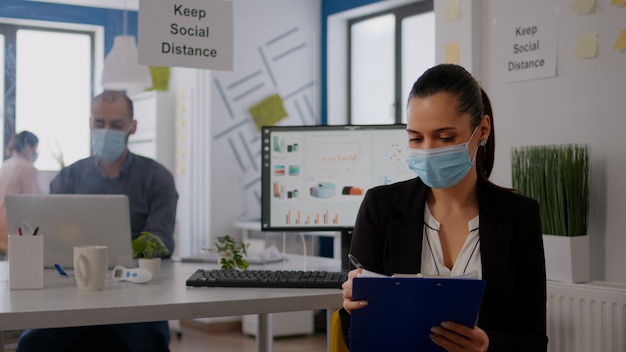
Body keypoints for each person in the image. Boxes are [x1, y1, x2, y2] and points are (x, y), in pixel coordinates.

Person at [339, 64, 548, 351]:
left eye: (445, 137)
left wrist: (487, 346)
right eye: (415, 137)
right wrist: (353, 307)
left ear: (482, 130)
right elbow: (354, 336)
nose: (427, 150)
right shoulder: (381, 207)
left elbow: (534, 340)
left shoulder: (519, 217)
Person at [17, 90, 178, 352]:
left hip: (136, 299)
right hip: (73, 294)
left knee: (151, 343)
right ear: (90, 123)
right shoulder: (68, 177)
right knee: (32, 343)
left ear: (132, 127)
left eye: (116, 125)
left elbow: (161, 243)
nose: (106, 131)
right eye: (99, 123)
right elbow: (51, 243)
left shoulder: (157, 179)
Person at [0, 131, 41, 256]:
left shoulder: (5, 166)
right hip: (13, 229)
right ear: (28, 147)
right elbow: (36, 203)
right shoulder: (27, 168)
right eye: (35, 148)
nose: (36, 152)